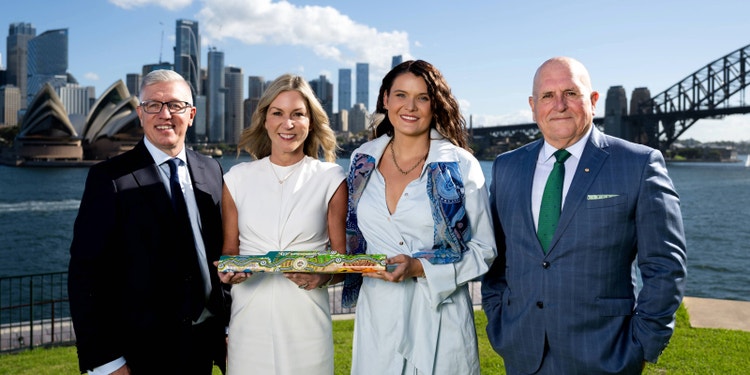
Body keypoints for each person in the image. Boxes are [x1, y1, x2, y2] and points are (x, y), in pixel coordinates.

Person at [481, 56, 688, 374]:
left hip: (606, 355)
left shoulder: (639, 164)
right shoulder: (508, 166)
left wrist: (643, 344)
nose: (559, 105)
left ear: (593, 101)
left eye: (571, 93)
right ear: (533, 106)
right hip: (522, 351)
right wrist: (498, 318)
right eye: (548, 96)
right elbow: (497, 257)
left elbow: (665, 267)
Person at [68, 69, 230, 374]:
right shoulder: (109, 178)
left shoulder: (211, 169)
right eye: (153, 105)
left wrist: (227, 327)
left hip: (207, 342)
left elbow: (220, 255)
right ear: (140, 114)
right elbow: (84, 276)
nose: (164, 114)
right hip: (142, 351)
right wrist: (106, 361)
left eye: (176, 105)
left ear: (191, 114)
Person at [342, 59, 496, 375]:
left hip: (440, 318)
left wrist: (420, 268)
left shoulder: (461, 166)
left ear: (434, 104)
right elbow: (351, 238)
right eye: (400, 95)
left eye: (422, 97)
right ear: (385, 99)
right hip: (378, 319)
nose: (410, 106)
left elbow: (485, 249)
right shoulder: (362, 160)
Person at [217, 73, 347, 374]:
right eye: (277, 113)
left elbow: (341, 260)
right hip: (248, 322)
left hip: (307, 321)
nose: (287, 124)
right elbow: (229, 253)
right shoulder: (236, 179)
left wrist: (323, 278)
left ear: (310, 122)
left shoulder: (330, 178)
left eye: (297, 114)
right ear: (265, 119)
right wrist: (229, 271)